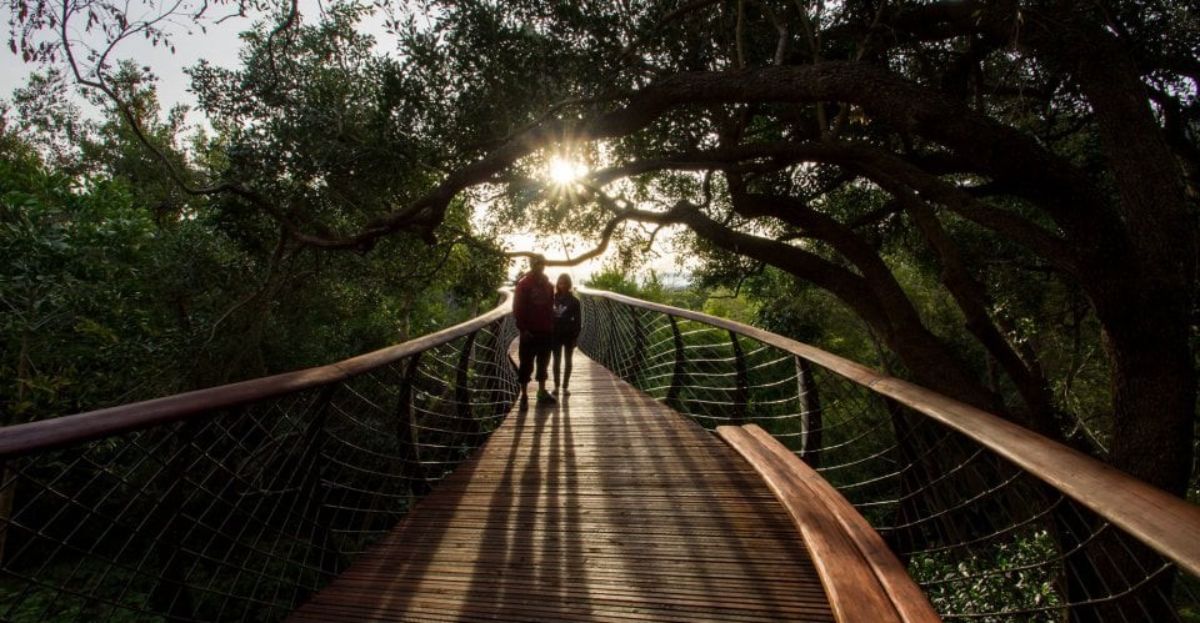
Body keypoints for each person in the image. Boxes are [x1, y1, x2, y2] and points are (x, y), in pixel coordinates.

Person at [513, 255, 556, 405]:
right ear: (532, 265)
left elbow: (550, 307)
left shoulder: (549, 285)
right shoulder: (523, 285)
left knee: (543, 363)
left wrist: (551, 326)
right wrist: (523, 329)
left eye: (542, 264)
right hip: (529, 332)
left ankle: (541, 392)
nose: (540, 266)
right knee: (526, 364)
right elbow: (517, 308)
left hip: (545, 331)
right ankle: (524, 395)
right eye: (537, 264)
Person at [551, 273, 581, 396]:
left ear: (568, 284)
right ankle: (556, 386)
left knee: (568, 361)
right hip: (555, 335)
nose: (562, 285)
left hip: (569, 335)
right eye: (560, 283)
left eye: (564, 283)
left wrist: (575, 337)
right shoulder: (552, 298)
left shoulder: (575, 301)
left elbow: (578, 321)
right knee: (556, 361)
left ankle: (565, 387)